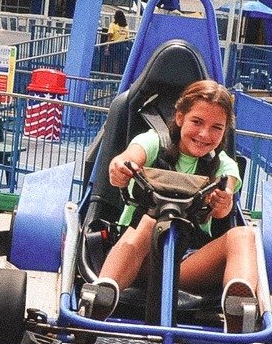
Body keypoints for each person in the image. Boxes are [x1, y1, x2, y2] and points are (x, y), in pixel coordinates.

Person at [85, 79, 258, 329]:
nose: (204, 134)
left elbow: (226, 196)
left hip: (185, 265)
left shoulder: (222, 165)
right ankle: (102, 297)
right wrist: (121, 167)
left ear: (224, 133)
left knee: (244, 235)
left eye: (216, 128)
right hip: (139, 260)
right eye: (197, 122)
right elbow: (129, 157)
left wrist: (222, 202)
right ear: (180, 118)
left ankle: (240, 311)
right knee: (150, 222)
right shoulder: (155, 142)